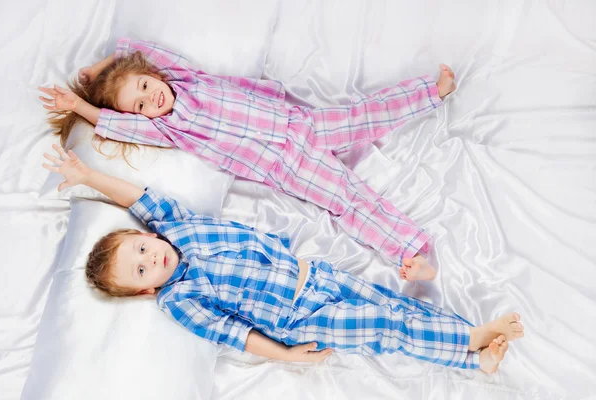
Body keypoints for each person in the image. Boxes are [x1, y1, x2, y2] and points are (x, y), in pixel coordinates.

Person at [42, 144, 524, 373]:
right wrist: (287, 353)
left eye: (142, 248)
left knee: (392, 306)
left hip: (314, 275)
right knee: (383, 327)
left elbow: (140, 196)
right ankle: (472, 334)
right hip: (301, 317)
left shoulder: (174, 227)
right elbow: (234, 333)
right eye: (142, 270)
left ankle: (471, 360)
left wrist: (88, 174)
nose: (152, 259)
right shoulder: (178, 299)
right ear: (145, 289)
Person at [39, 38, 458, 280]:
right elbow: (116, 124)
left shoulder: (185, 78)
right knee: (348, 199)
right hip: (286, 165)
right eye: (142, 104)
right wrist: (80, 103)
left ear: (155, 75)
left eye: (146, 86)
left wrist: (96, 71)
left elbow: (132, 48)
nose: (152, 98)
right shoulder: (168, 128)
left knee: (362, 114)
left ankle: (430, 92)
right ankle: (408, 252)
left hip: (301, 123)